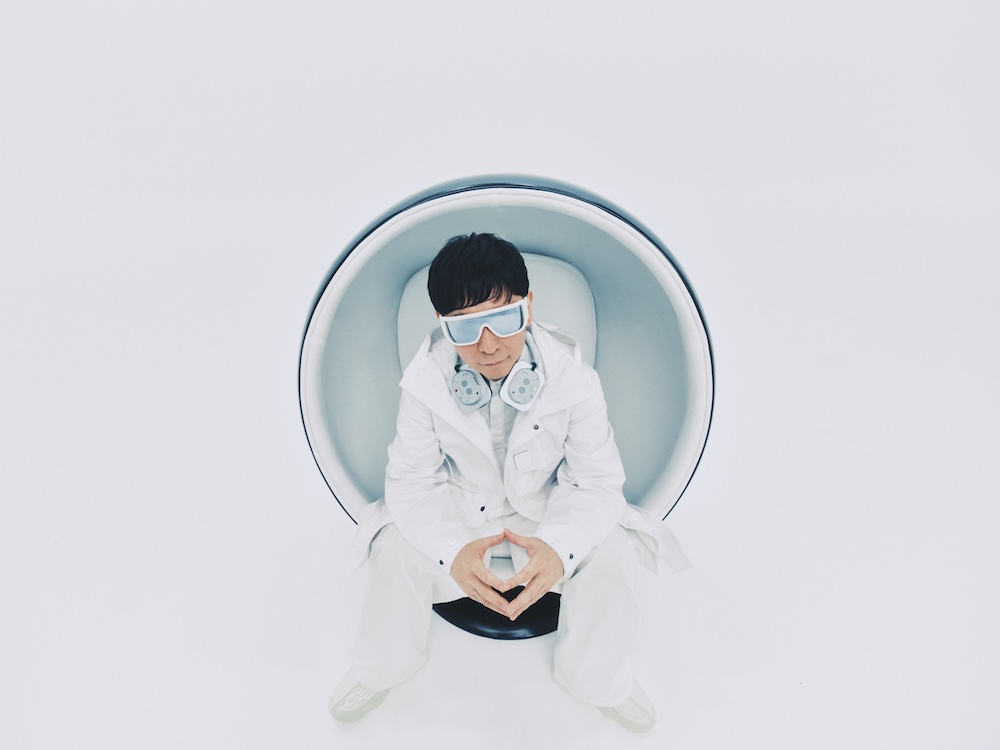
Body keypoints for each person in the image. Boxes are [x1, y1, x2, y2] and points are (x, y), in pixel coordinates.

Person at [330, 233, 681, 732]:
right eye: (465, 327)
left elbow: (597, 482)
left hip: (544, 513)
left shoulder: (573, 377)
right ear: (442, 323)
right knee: (391, 547)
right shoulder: (424, 382)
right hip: (462, 514)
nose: (488, 344)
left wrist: (558, 547)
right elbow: (411, 483)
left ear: (529, 306)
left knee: (614, 551)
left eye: (503, 319)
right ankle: (381, 669)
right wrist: (452, 551)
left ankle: (600, 683)